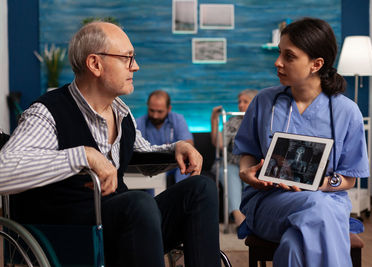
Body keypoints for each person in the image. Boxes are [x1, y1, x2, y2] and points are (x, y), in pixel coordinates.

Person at [0, 21, 221, 267]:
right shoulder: (46, 113)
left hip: (122, 227)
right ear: (95, 64)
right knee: (139, 203)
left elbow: (140, 152)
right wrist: (84, 155)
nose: (135, 66)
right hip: (71, 236)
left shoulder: (121, 114)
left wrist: (174, 148)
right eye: (127, 58)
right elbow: (3, 170)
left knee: (201, 188)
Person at [233, 17, 369, 267]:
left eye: (289, 56)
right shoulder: (264, 102)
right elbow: (247, 153)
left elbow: (350, 177)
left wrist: (317, 185)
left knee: (295, 245)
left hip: (328, 202)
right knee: (316, 208)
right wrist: (246, 173)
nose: (278, 62)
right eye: (279, 54)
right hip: (269, 202)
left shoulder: (347, 113)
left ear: (316, 64)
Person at [210, 89, 257, 227]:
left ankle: (253, 218)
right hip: (229, 163)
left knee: (250, 178)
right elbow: (219, 144)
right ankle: (238, 218)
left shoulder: (261, 120)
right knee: (231, 174)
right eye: (239, 102)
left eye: (245, 102)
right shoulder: (233, 120)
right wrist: (214, 120)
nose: (241, 105)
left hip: (252, 165)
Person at [136, 90, 193, 184]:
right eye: (152, 110)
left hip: (174, 164)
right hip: (150, 166)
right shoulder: (139, 123)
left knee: (183, 168)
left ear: (169, 109)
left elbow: (189, 145)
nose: (155, 115)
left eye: (160, 111)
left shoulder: (178, 119)